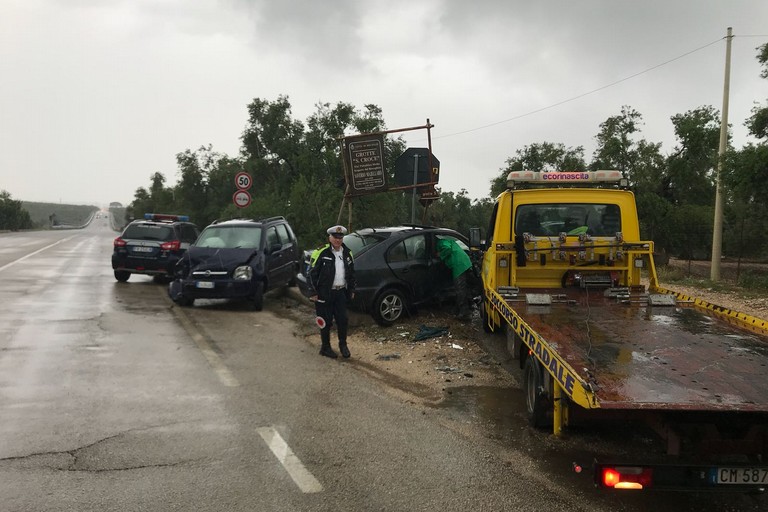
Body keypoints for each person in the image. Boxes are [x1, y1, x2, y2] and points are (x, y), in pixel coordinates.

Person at [308, 225, 356, 359]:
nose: (338, 240)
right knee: (325, 321)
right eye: (335, 237)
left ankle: (343, 345)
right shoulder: (321, 252)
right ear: (329, 237)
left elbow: (351, 274)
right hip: (324, 293)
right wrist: (312, 292)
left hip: (340, 292)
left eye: (340, 237)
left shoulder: (347, 253)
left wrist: (351, 289)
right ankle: (325, 347)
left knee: (343, 320)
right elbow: (311, 274)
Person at [435, 238, 473, 321]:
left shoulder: (441, 242)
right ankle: (466, 307)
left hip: (459, 265)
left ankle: (464, 313)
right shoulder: (447, 240)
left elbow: (447, 249)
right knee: (464, 287)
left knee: (460, 289)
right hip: (464, 262)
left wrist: (440, 255)